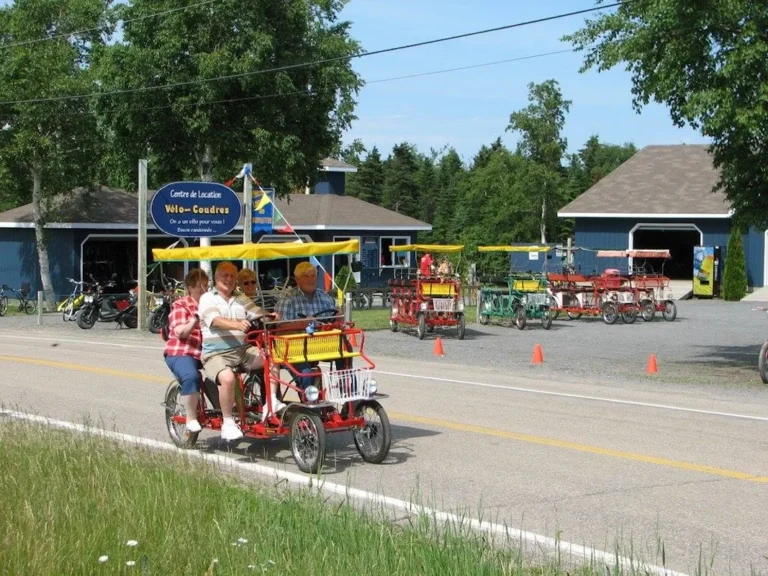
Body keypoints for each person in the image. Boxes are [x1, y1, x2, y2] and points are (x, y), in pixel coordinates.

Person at [198, 261, 284, 441]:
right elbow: (215, 320)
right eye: (225, 276)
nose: (229, 279)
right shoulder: (207, 298)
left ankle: (270, 404)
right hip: (216, 354)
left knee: (272, 356)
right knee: (228, 378)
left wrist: (270, 315)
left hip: (243, 351)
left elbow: (256, 312)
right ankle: (228, 423)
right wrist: (237, 325)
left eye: (232, 276)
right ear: (216, 278)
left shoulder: (240, 298)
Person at [274, 261, 340, 390]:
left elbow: (334, 318)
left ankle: (348, 388)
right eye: (306, 276)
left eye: (313, 275)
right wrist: (301, 324)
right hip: (294, 348)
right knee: (306, 373)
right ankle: (309, 398)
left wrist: (338, 319)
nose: (311, 279)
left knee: (345, 353)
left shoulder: (324, 296)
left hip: (320, 345)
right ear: (297, 280)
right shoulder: (287, 299)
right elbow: (280, 326)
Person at [163, 268, 209, 434]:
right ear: (190, 287)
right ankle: (191, 418)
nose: (204, 290)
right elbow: (180, 332)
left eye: (206, 286)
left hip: (206, 352)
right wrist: (195, 319)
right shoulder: (181, 305)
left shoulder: (211, 305)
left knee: (226, 375)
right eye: (200, 286)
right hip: (182, 351)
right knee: (191, 376)